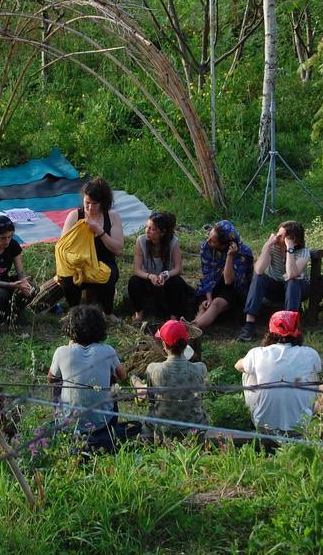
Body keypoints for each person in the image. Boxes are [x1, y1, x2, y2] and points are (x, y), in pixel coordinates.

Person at [48, 305, 131, 445]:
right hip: (104, 423)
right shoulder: (108, 350)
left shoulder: (61, 351)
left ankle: (61, 415)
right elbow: (123, 376)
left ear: (71, 328)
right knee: (112, 379)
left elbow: (50, 378)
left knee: (58, 381)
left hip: (68, 423)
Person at [234, 310, 322, 435]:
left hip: (264, 425)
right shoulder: (310, 353)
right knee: (314, 374)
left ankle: (262, 412)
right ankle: (305, 412)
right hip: (300, 426)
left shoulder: (257, 353)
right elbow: (319, 369)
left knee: (247, 371)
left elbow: (237, 365)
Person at [58, 178, 123, 317]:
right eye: (87, 203)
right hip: (79, 263)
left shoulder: (112, 216)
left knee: (108, 275)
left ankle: (107, 312)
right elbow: (63, 246)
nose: (90, 208)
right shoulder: (75, 215)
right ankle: (74, 312)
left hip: (103, 262)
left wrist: (99, 231)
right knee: (68, 279)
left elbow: (118, 249)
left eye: (94, 204)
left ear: (103, 203)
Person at [238, 220, 311, 342]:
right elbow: (259, 270)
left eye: (281, 235)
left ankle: (289, 327)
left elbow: (292, 273)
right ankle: (249, 325)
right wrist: (267, 246)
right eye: (278, 233)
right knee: (259, 277)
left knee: (292, 281)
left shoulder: (303, 252)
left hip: (297, 289)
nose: (276, 237)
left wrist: (290, 250)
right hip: (276, 287)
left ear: (293, 239)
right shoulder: (273, 248)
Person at [144, 319, 209, 438]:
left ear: (164, 344)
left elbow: (151, 400)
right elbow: (200, 399)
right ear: (186, 343)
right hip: (195, 429)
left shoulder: (153, 369)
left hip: (161, 429)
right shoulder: (200, 368)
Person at [127, 211, 193, 322]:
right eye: (147, 227)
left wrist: (166, 274)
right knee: (134, 281)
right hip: (148, 280)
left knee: (177, 282)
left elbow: (178, 268)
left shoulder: (173, 242)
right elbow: (137, 269)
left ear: (162, 233)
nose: (147, 231)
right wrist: (150, 276)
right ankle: (139, 313)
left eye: (152, 229)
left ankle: (173, 316)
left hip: (166, 281)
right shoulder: (141, 241)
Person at [190, 220, 253, 331]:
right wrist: (208, 297)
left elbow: (229, 281)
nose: (208, 241)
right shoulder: (207, 247)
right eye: (209, 237)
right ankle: (193, 326)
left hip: (232, 289)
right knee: (203, 305)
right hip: (212, 285)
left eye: (213, 241)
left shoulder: (243, 254)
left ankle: (193, 328)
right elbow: (207, 275)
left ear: (225, 245)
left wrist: (230, 257)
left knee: (216, 303)